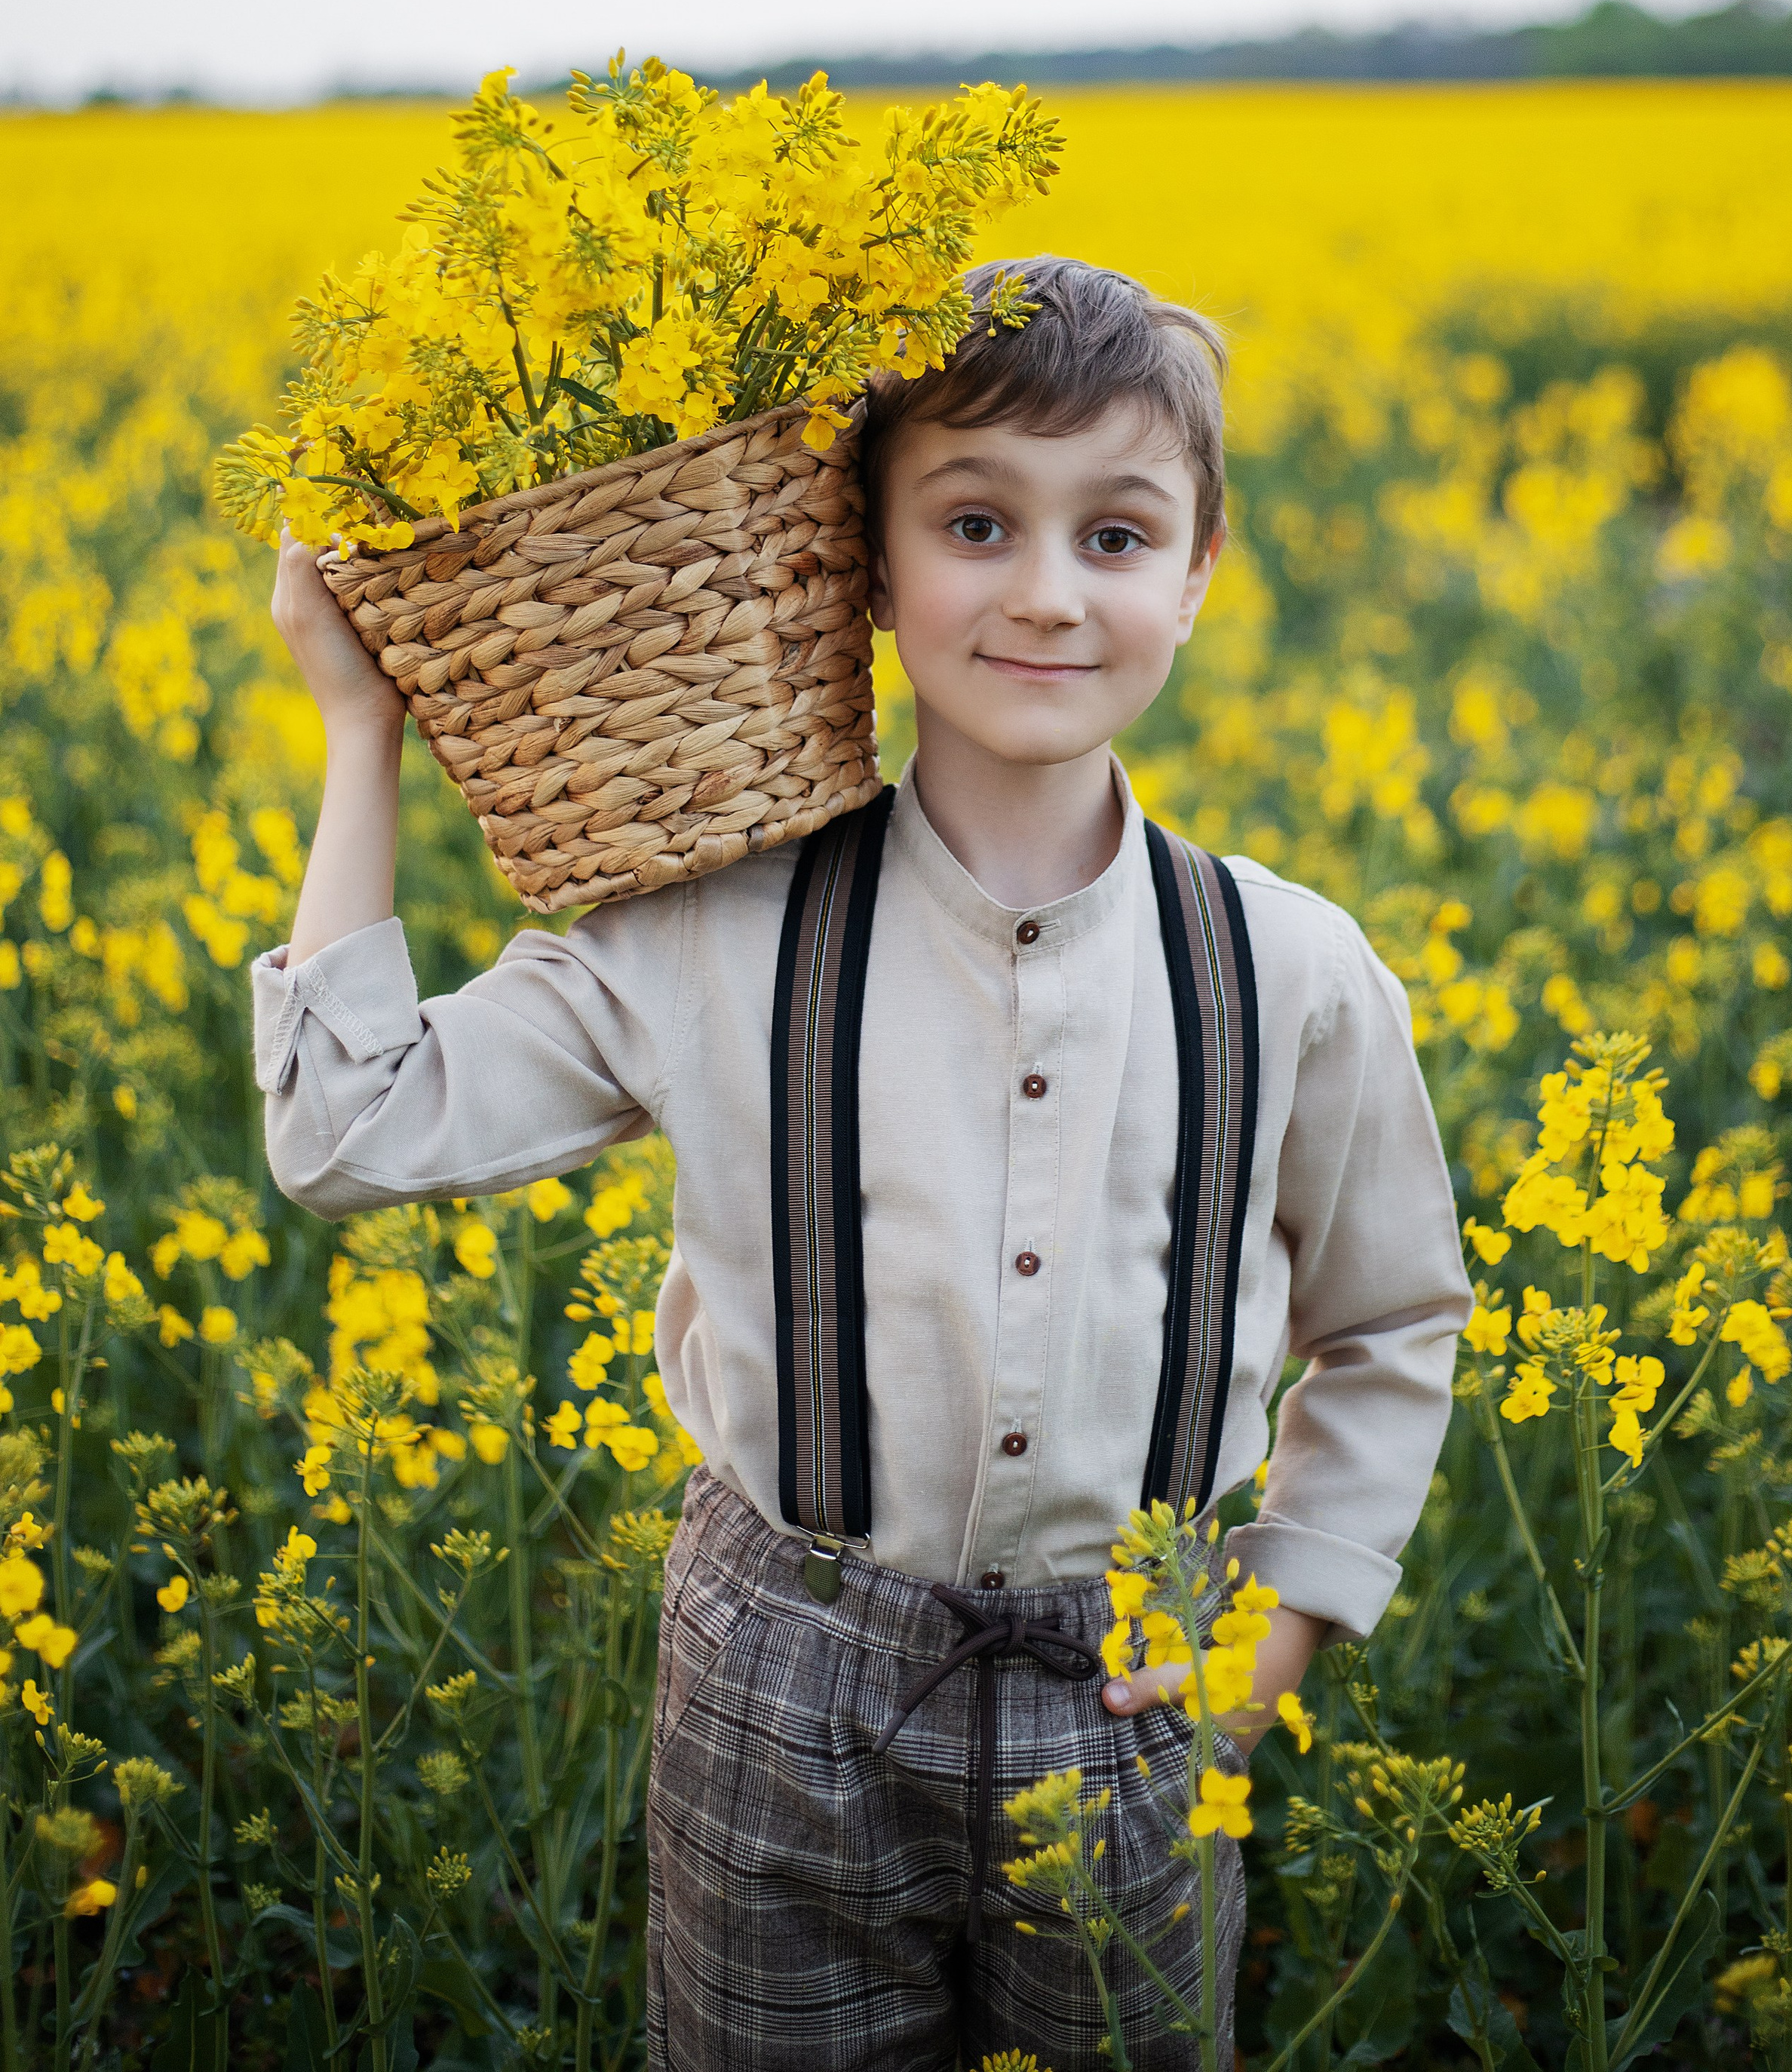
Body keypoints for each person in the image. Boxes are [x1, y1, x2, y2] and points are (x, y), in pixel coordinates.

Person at [257, 253, 1470, 2072]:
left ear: (1197, 572)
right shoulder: (707, 934)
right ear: (867, 572)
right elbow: (347, 1128)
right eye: (974, 524)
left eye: (1116, 537)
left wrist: (1288, 1613)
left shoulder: (1289, 967)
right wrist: (364, 731)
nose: (1045, 592)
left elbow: (1390, 1319)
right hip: (778, 1680)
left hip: (1134, 1689)